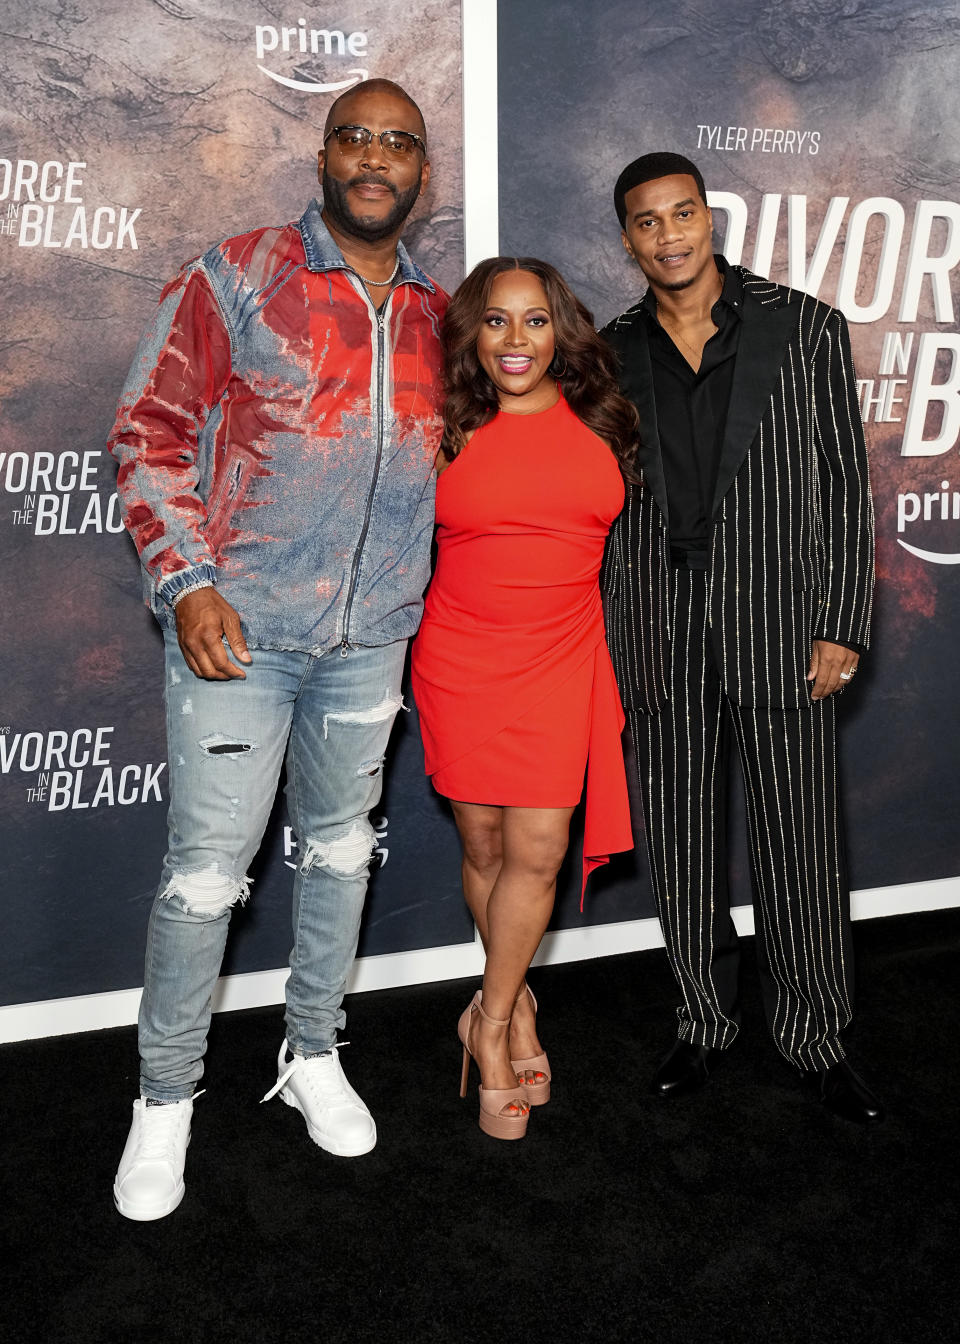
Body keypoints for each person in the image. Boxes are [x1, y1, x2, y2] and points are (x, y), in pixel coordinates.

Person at [107, 79, 448, 1220]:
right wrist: (189, 580)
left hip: (370, 640)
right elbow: (146, 432)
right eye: (356, 136)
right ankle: (166, 1100)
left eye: (399, 144)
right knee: (206, 880)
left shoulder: (440, 316)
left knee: (342, 856)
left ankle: (312, 1052)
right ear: (322, 153)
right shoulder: (237, 273)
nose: (376, 157)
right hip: (239, 635)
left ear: (421, 175)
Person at [600, 152, 883, 1124]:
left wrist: (841, 623)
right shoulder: (607, 350)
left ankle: (814, 1038)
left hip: (781, 627)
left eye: (684, 214)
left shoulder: (804, 328)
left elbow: (846, 487)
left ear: (709, 219)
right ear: (627, 237)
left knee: (800, 843)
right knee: (678, 847)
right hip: (658, 630)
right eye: (648, 221)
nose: (670, 235)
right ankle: (702, 1021)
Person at [411, 257, 637, 1139]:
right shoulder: (443, 429)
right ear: (471, 333)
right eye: (495, 322)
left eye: (534, 321)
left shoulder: (603, 421)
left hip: (562, 655)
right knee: (487, 843)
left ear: (560, 330)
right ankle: (519, 997)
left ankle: (492, 1024)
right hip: (461, 655)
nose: (515, 340)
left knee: (538, 849)